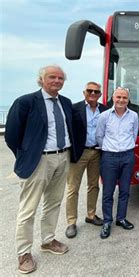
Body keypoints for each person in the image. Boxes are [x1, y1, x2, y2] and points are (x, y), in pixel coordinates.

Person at [5, 65, 75, 274]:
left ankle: (48, 240)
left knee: (53, 203)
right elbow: (11, 135)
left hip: (63, 157)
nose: (57, 81)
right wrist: (27, 155)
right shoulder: (26, 102)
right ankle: (24, 252)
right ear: (41, 79)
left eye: (60, 78)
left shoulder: (65, 103)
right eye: (52, 77)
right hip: (39, 161)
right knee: (28, 208)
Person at [65, 82, 108, 239]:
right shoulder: (74, 108)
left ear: (100, 94)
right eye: (89, 90)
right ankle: (71, 222)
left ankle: (91, 215)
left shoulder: (104, 110)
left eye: (96, 91)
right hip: (79, 152)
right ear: (84, 92)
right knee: (73, 188)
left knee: (93, 185)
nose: (93, 93)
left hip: (97, 152)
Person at [96, 87, 138, 239]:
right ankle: (107, 221)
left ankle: (121, 218)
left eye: (124, 98)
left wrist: (126, 149)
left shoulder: (133, 116)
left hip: (128, 156)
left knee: (125, 190)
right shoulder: (104, 116)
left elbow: (133, 134)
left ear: (128, 100)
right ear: (113, 98)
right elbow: (99, 136)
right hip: (109, 157)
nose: (121, 100)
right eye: (118, 97)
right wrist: (110, 149)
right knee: (108, 192)